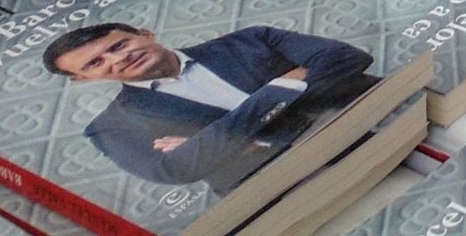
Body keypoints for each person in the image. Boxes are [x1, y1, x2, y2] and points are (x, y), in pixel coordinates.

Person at [47, 20, 373, 192]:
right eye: (96, 63)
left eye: (119, 44)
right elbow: (174, 169)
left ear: (145, 33)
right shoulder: (111, 126)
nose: (119, 59)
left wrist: (221, 142)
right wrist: (278, 89)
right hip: (284, 186)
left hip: (369, 120)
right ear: (81, 78)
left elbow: (348, 59)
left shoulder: (251, 39)